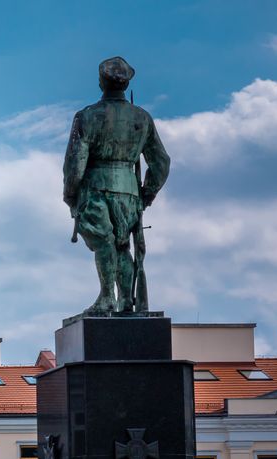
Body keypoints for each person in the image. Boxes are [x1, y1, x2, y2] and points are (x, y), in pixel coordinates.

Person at [62, 56, 170, 314]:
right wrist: (147, 193)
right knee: (122, 245)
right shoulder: (142, 118)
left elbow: (75, 163)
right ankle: (125, 300)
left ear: (101, 82)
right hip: (129, 193)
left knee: (103, 243)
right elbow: (161, 162)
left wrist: (70, 194)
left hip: (95, 189)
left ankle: (107, 297)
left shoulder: (87, 116)